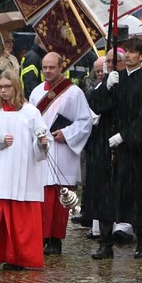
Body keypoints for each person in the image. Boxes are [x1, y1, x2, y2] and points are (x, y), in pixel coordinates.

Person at [89, 38, 142, 260]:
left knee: (136, 194)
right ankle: (105, 243)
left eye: (133, 52)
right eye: (126, 52)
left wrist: (126, 136)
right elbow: (98, 106)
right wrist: (105, 88)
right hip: (110, 147)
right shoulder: (116, 79)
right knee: (107, 194)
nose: (127, 56)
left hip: (135, 150)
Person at [0, 72, 50, 270]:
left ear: (16, 87)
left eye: (7, 86)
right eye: (0, 87)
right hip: (0, 172)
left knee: (21, 218)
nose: (3, 90)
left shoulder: (31, 113)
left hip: (23, 173)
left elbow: (42, 137)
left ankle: (18, 258)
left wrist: (42, 143)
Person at [28, 52, 92, 256]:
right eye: (44, 67)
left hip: (62, 148)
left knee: (58, 197)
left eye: (51, 67)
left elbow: (85, 121)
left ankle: (55, 240)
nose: (47, 71)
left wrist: (66, 133)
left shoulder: (74, 92)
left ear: (61, 68)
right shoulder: (37, 92)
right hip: (42, 148)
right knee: (40, 196)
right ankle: (41, 237)